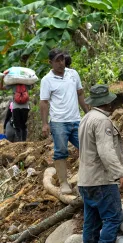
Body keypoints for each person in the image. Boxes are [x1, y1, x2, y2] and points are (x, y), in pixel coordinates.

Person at [78, 84, 123, 243]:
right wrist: (120, 174)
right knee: (113, 218)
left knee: (90, 222)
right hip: (102, 180)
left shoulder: (86, 119)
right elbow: (106, 151)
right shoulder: (102, 121)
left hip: (85, 180)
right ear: (107, 102)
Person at [40, 48, 88, 194]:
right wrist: (45, 124)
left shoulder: (73, 74)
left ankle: (84, 181)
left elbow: (80, 94)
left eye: (62, 59)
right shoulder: (47, 80)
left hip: (76, 119)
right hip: (59, 122)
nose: (61, 63)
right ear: (51, 63)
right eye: (57, 61)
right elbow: (44, 102)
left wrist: (88, 112)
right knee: (61, 151)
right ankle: (64, 183)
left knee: (87, 148)